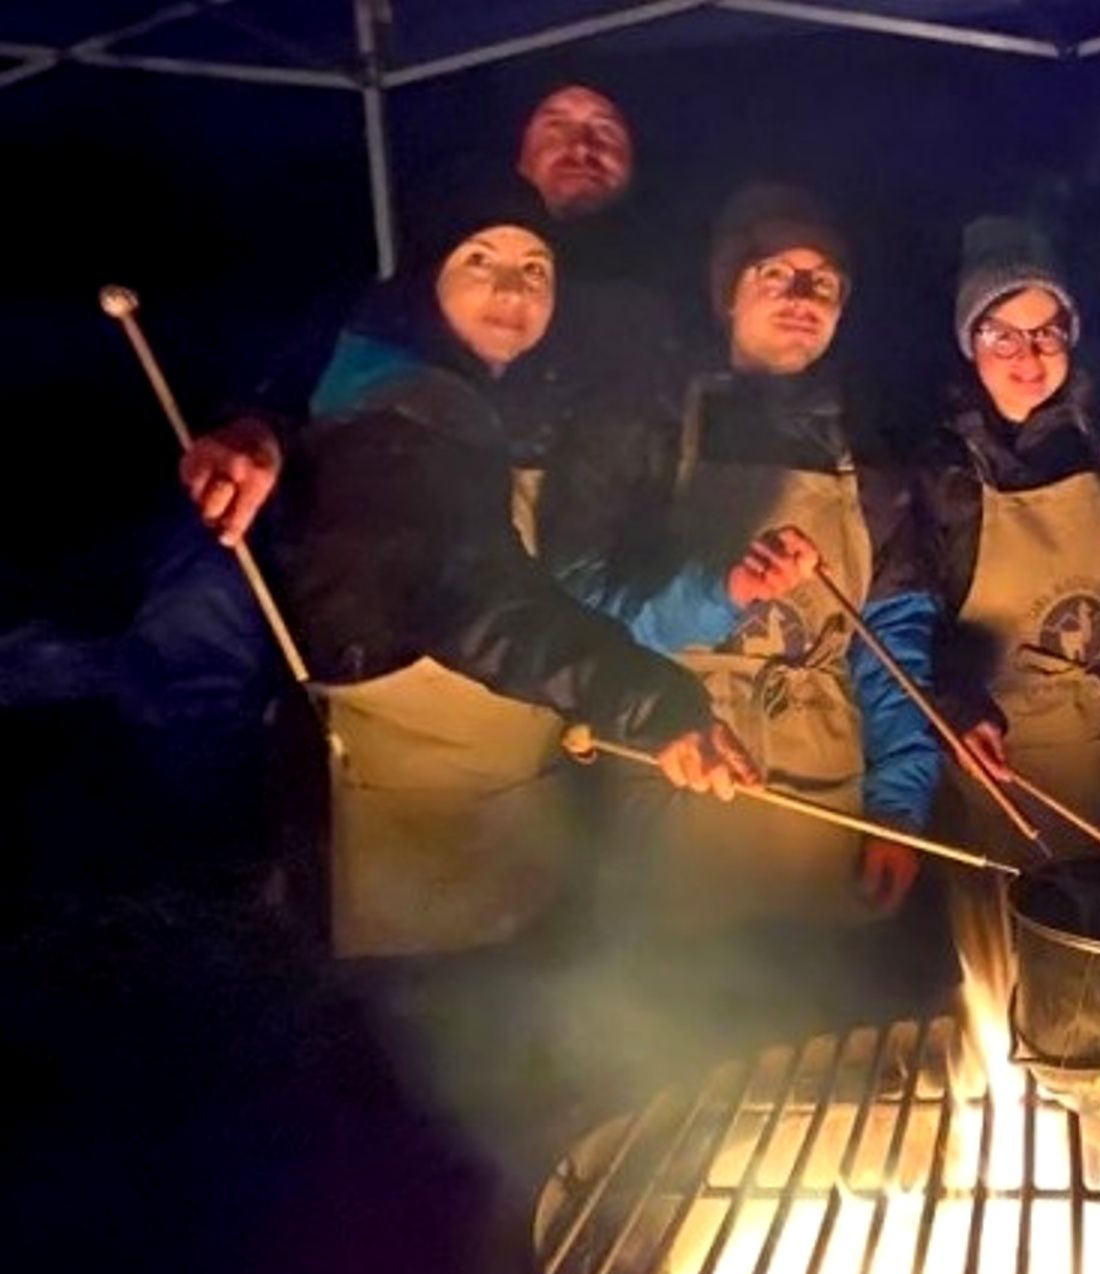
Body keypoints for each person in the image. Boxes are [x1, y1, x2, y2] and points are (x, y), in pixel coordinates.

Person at [264, 182, 752, 959]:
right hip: (406, 824)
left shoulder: (464, 403)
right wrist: (650, 699)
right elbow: (481, 606)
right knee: (431, 1052)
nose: (511, 287)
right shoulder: (395, 423)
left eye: (535, 268)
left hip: (494, 800)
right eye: (480, 258)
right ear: (427, 277)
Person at [570, 183, 939, 936]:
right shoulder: (649, 424)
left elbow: (891, 642)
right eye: (776, 273)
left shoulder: (869, 452)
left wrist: (898, 807)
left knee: (813, 1031)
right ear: (727, 294)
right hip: (678, 784)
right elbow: (582, 606)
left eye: (824, 283)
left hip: (820, 804)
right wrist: (719, 592)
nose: (802, 295)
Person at [182, 81, 672, 559]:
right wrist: (261, 436)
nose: (581, 146)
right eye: (555, 125)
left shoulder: (665, 301)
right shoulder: (390, 313)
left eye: (605, 128)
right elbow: (311, 398)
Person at [920, 216, 1100, 862]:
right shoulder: (942, 471)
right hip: (999, 766)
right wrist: (956, 705)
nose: (1028, 356)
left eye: (1046, 333)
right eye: (1003, 336)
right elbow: (909, 622)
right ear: (971, 344)